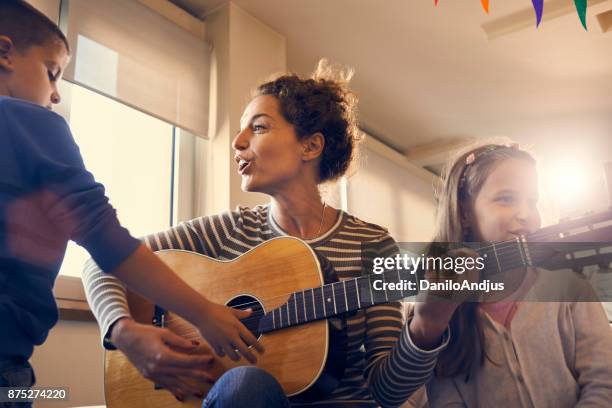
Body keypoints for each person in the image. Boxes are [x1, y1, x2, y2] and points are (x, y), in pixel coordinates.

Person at [82, 60, 455, 407]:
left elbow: (387, 393)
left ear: (310, 146)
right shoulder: (228, 231)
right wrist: (126, 333)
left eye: (258, 127)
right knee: (248, 385)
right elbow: (104, 261)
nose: (237, 141)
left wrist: (427, 327)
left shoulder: (372, 244)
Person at [0, 0, 259, 402]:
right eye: (52, 74)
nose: (54, 95)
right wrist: (204, 314)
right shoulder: (34, 125)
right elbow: (106, 239)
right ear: (5, 52)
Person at [416, 143, 612, 407]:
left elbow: (605, 382)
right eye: (506, 198)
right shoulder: (438, 309)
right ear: (464, 213)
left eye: (533, 201)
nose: (526, 214)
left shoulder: (570, 289)